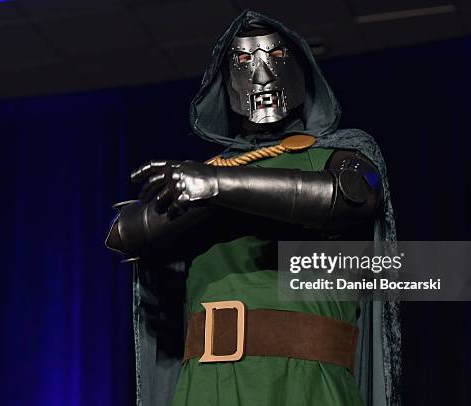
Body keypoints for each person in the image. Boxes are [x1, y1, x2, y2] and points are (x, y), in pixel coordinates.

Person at [106, 10, 400, 406]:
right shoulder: (201, 175)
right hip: (206, 385)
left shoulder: (339, 153)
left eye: (275, 56)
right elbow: (126, 232)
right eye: (244, 61)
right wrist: (210, 187)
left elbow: (350, 197)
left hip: (305, 380)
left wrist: (217, 188)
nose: (261, 73)